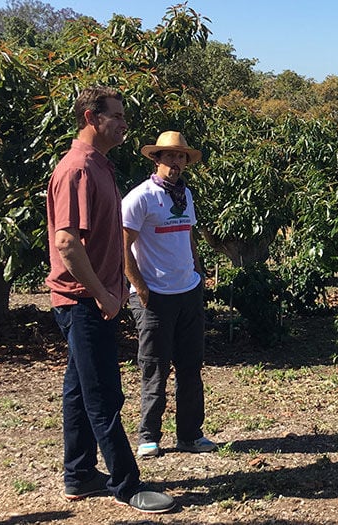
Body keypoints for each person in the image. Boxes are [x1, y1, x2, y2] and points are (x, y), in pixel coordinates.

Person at [45, 86, 175, 514]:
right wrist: (101, 292)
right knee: (103, 393)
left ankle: (79, 472)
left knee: (80, 391)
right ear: (89, 117)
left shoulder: (100, 166)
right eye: (116, 116)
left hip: (94, 298)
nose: (123, 123)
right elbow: (66, 241)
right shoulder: (77, 169)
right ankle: (126, 483)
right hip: (83, 300)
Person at [122, 131, 216, 458]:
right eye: (169, 156)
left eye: (181, 157)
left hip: (187, 291)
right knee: (154, 367)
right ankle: (149, 435)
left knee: (191, 367)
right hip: (155, 297)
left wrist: (197, 272)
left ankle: (190, 435)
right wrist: (141, 289)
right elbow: (123, 247)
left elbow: (187, 235)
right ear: (156, 159)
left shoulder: (185, 195)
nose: (175, 163)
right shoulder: (141, 198)